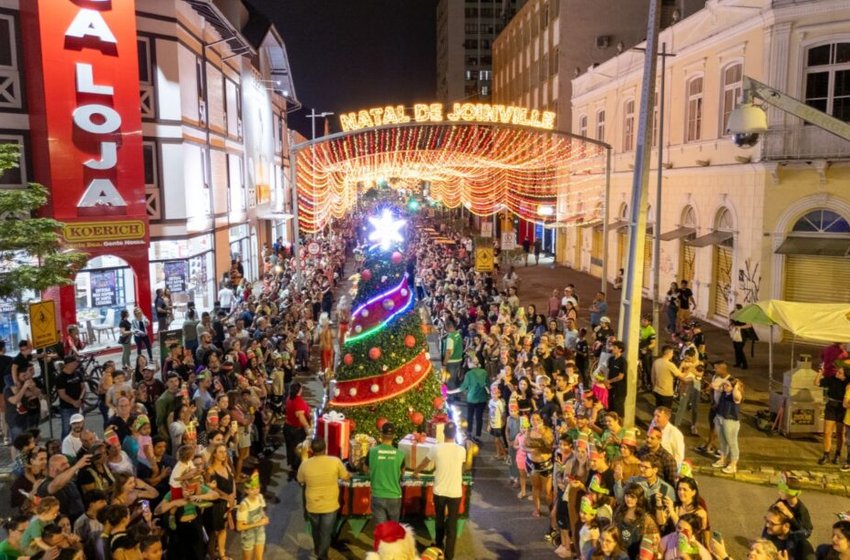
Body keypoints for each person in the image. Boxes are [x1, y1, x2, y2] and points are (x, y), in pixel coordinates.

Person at [413, 422, 467, 560]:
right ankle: (449, 556)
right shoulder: (461, 450)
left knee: (439, 519)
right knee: (452, 524)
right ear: (455, 434)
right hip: (455, 492)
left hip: (439, 491)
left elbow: (425, 462)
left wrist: (416, 472)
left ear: (444, 433)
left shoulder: (436, 448)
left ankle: (438, 547)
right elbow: (463, 468)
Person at [297, 438, 350, 560]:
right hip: (330, 505)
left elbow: (300, 480)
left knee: (316, 530)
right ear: (325, 448)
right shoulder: (335, 461)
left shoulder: (305, 464)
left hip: (313, 505)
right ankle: (322, 556)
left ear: (311, 450)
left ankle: (317, 550)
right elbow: (346, 477)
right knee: (326, 533)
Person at [366, 421, 405, 525]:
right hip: (394, 496)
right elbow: (402, 473)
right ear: (394, 436)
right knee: (393, 531)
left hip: (378, 495)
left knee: (381, 531)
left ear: (381, 435)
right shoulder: (400, 455)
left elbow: (365, 469)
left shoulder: (372, 452)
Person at [446, 356, 488, 442]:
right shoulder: (484, 372)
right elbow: (487, 385)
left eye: (468, 362)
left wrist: (449, 392)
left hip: (471, 399)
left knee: (470, 417)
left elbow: (462, 388)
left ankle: (469, 433)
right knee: (479, 418)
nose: (467, 364)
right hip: (482, 398)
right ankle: (478, 435)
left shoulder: (469, 374)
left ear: (472, 363)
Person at [816, 366, 847, 465]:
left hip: (842, 408)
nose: (837, 373)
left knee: (839, 433)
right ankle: (826, 455)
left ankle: (837, 454)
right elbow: (816, 383)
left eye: (840, 373)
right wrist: (820, 373)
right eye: (837, 371)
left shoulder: (848, 382)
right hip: (831, 406)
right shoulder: (832, 379)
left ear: (845, 375)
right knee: (827, 432)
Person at [712, 376, 743, 474]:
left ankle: (733, 464)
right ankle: (723, 459)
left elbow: (736, 396)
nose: (725, 386)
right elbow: (713, 385)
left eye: (727, 385)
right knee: (722, 441)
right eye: (725, 385)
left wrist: (736, 387)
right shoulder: (724, 393)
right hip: (720, 418)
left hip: (730, 421)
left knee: (732, 442)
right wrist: (723, 382)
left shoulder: (735, 395)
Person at [236, 472, 269, 560]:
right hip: (248, 535)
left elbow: (262, 511)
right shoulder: (244, 505)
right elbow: (239, 527)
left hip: (260, 532)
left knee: (259, 558)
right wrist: (258, 523)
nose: (256, 491)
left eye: (257, 488)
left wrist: (265, 517)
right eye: (252, 489)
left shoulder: (260, 497)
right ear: (246, 490)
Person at [283, 382, 311, 479]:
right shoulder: (298, 401)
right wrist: (307, 427)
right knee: (298, 449)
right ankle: (298, 469)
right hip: (296, 429)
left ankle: (293, 467)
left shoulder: (289, 398)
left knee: (290, 448)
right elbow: (300, 416)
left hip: (287, 426)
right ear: (299, 390)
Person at [55, 356, 85, 440]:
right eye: (75, 363)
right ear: (68, 364)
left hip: (79, 404)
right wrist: (73, 402)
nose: (76, 364)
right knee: (66, 429)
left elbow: (83, 387)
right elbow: (62, 394)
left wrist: (81, 399)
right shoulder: (60, 378)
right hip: (67, 408)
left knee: (80, 427)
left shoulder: (78, 373)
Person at [651, 346, 682, 410]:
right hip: (666, 392)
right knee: (666, 412)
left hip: (657, 390)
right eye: (672, 353)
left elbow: (652, 377)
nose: (672, 355)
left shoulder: (656, 362)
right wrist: (689, 369)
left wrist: (654, 387)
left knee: (658, 409)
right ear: (669, 353)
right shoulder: (670, 365)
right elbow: (681, 375)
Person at [606, 341, 627, 418]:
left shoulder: (623, 362)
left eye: (615, 347)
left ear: (620, 350)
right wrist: (606, 383)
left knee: (618, 409)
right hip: (610, 388)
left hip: (619, 390)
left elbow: (620, 376)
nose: (612, 349)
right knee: (610, 407)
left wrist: (609, 381)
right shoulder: (611, 359)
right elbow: (607, 371)